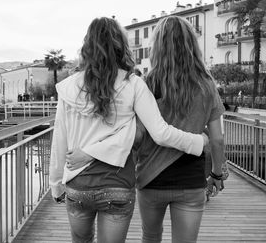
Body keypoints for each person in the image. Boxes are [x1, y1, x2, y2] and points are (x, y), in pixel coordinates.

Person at [49, 17, 209, 243]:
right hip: (117, 186)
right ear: (120, 45)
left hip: (77, 185)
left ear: (87, 46)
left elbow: (59, 140)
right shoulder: (134, 85)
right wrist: (198, 142)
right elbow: (160, 133)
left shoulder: (68, 88)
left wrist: (56, 185)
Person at [133, 16, 226, 243]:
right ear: (191, 44)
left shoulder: (148, 83)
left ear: (158, 45)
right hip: (191, 180)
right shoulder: (206, 85)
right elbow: (217, 139)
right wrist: (216, 173)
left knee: (150, 237)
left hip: (150, 179)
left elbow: (137, 134)